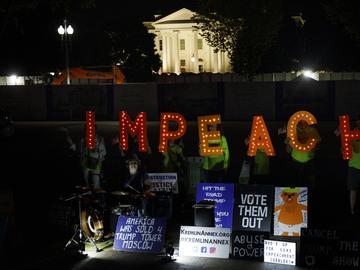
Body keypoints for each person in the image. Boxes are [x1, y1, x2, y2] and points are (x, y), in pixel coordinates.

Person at [284, 120, 321, 188]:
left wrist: (314, 149)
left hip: (309, 161)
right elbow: (288, 149)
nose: (302, 123)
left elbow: (318, 144)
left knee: (310, 183)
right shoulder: (292, 131)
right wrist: (288, 144)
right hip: (295, 162)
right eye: (300, 121)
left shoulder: (312, 130)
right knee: (294, 184)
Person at [336, 116, 360, 215]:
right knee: (353, 189)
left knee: (353, 189)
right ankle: (352, 210)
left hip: (353, 166)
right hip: (353, 166)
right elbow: (343, 149)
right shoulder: (349, 135)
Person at [162, 139, 189, 211]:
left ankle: (179, 206)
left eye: (172, 139)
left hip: (175, 172)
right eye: (169, 139)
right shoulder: (164, 147)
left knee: (177, 190)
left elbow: (182, 157)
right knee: (168, 191)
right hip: (166, 173)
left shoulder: (177, 148)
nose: (171, 141)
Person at [79, 125, 107, 190]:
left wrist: (97, 158)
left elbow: (103, 152)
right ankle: (88, 194)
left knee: (96, 182)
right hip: (86, 162)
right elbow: (81, 152)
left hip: (96, 162)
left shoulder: (100, 139)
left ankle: (96, 196)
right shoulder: (83, 139)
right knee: (86, 183)